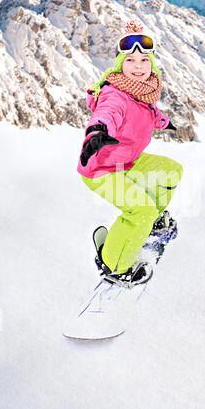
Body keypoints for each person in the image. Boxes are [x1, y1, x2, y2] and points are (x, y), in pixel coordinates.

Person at [77, 20, 183, 283]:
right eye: (130, 60)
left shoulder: (143, 93)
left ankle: (151, 222)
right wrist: (97, 132)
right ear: (119, 65)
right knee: (140, 210)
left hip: (128, 161)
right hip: (100, 169)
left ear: (152, 65)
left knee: (171, 171)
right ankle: (113, 264)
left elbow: (150, 113)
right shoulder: (117, 94)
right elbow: (106, 113)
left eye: (144, 60)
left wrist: (163, 122)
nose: (138, 66)